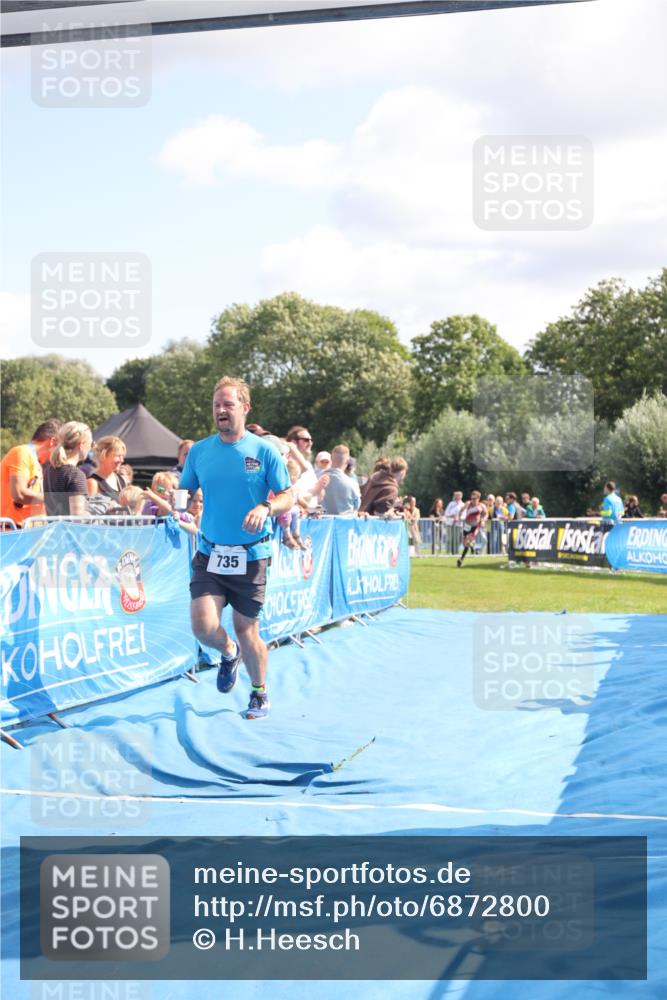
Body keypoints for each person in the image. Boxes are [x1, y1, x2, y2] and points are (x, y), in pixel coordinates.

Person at [180, 376, 292, 720]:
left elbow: (289, 496)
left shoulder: (264, 451)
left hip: (252, 555)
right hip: (211, 551)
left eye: (228, 404)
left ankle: (259, 692)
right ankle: (228, 652)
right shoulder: (200, 451)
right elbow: (184, 492)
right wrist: (178, 504)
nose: (221, 411)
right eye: (216, 406)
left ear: (245, 407)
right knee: (202, 626)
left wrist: (266, 508)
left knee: (247, 629)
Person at [0, 419, 61, 526]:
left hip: (22, 531)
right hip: (10, 531)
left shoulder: (36, 462)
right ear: (52, 441)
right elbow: (19, 494)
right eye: (59, 448)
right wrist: (55, 498)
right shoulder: (22, 452)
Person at [43, 422, 93, 516]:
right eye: (90, 444)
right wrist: (96, 513)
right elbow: (78, 517)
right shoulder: (75, 474)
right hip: (70, 530)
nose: (90, 448)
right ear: (81, 445)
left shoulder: (49, 470)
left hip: (55, 529)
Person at [322, 444, 361, 516]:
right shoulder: (352, 483)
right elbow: (357, 506)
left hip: (324, 524)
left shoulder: (318, 479)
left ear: (331, 458)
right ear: (348, 461)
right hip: (346, 524)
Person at [89, 436, 127, 503]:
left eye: (122, 456)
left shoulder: (122, 481)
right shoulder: (93, 483)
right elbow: (91, 511)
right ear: (104, 455)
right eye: (118, 456)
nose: (122, 460)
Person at [456, 490, 488, 567]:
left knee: (468, 541)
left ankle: (461, 559)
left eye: (475, 499)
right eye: (472, 498)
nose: (473, 500)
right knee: (465, 543)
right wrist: (459, 517)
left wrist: (483, 520)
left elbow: (486, 513)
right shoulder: (468, 503)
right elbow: (461, 510)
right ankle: (472, 547)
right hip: (467, 525)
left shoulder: (481, 506)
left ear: (478, 498)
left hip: (476, 526)